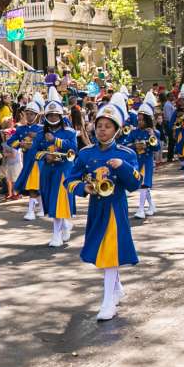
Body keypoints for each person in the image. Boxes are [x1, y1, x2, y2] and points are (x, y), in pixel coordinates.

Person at [69, 99, 144, 320]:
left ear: (117, 130)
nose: (102, 130)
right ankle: (117, 287)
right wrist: (85, 187)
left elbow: (135, 184)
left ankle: (108, 301)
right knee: (103, 251)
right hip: (96, 208)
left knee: (110, 252)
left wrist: (123, 167)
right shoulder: (86, 154)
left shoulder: (126, 153)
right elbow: (70, 181)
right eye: (99, 125)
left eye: (108, 126)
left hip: (115, 207)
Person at [33, 98, 78, 247]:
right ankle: (65, 224)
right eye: (50, 115)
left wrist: (56, 140)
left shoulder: (70, 132)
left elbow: (74, 149)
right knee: (51, 200)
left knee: (59, 201)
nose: (53, 118)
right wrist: (46, 157)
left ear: (60, 116)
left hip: (64, 170)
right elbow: (35, 152)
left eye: (56, 115)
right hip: (47, 170)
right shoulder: (40, 133)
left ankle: (56, 235)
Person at [125, 94, 162, 219]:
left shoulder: (154, 132)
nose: (140, 122)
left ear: (148, 120)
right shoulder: (134, 132)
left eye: (142, 120)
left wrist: (153, 136)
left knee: (144, 184)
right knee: (142, 185)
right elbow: (127, 145)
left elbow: (156, 148)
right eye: (139, 119)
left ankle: (141, 209)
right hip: (137, 161)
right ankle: (151, 205)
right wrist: (135, 145)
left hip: (147, 161)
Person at [12, 98, 45, 220]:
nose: (29, 116)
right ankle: (42, 208)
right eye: (27, 114)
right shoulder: (21, 129)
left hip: (38, 161)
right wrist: (20, 144)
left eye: (32, 114)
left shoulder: (42, 129)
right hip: (27, 160)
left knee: (34, 186)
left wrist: (36, 137)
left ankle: (31, 211)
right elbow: (11, 142)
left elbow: (46, 144)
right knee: (34, 185)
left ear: (36, 115)